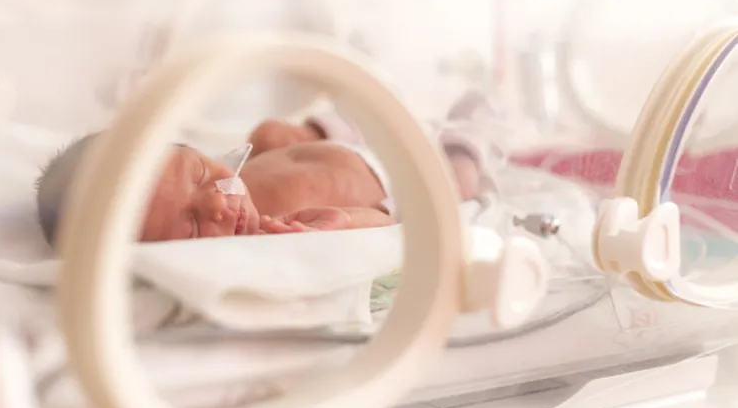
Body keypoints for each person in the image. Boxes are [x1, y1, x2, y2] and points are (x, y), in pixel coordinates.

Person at [36, 97, 494, 244]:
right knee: (458, 184)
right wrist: (346, 221)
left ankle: (433, 115)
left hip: (349, 140)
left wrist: (297, 134)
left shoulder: (231, 179)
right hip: (405, 183)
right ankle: (473, 137)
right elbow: (387, 226)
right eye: (193, 225)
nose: (219, 201)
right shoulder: (273, 232)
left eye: (199, 174)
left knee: (274, 134)